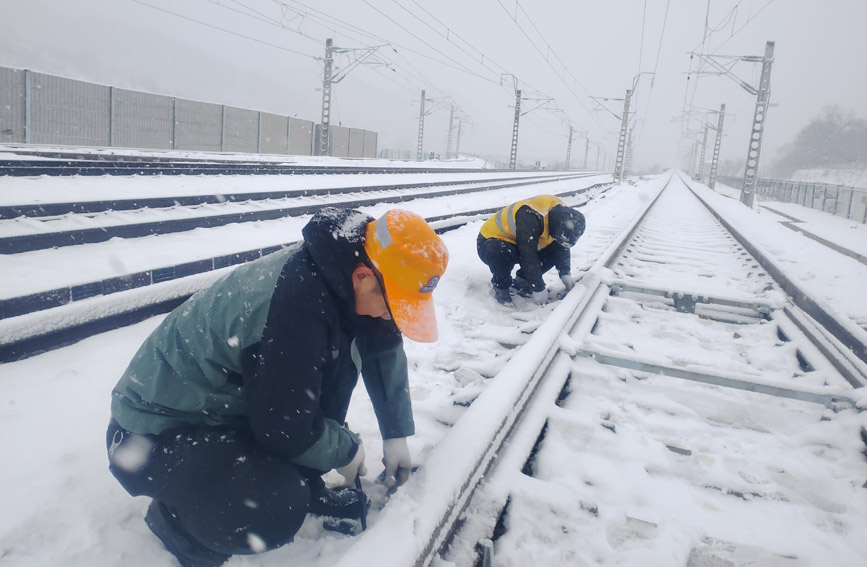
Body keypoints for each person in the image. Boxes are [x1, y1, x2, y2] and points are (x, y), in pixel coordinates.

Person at [105, 207, 448, 567]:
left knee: (331, 367)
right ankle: (178, 527)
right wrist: (345, 450)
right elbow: (284, 428)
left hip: (228, 411)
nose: (388, 315)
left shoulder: (348, 270)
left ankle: (302, 477)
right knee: (270, 507)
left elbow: (382, 344)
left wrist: (396, 432)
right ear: (363, 277)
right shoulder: (294, 309)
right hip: (151, 432)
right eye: (391, 304)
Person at [477, 195, 585, 305]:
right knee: (501, 251)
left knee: (554, 248)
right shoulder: (531, 215)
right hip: (491, 241)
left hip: (520, 242)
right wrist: (538, 286)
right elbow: (527, 253)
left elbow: (561, 246)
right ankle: (501, 286)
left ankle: (522, 282)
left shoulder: (563, 217)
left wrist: (564, 272)